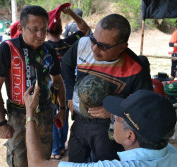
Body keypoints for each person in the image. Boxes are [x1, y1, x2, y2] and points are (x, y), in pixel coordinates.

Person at [61, 14, 153, 162]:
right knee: (75, 161)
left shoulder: (135, 68)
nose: (95, 49)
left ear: (122, 47)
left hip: (110, 128)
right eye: (93, 40)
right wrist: (70, 94)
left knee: (105, 162)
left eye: (103, 46)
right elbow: (66, 65)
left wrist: (115, 110)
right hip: (80, 122)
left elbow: (143, 105)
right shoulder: (82, 45)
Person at [0, 5, 66, 167]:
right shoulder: (7, 49)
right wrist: (1, 123)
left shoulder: (49, 51)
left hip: (45, 113)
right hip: (18, 115)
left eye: (44, 29)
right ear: (21, 28)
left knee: (43, 158)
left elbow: (57, 81)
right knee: (19, 159)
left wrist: (62, 108)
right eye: (35, 29)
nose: (40, 35)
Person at [24, 86, 177, 167]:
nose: (112, 120)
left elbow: (37, 164)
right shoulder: (172, 154)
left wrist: (30, 113)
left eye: (115, 118)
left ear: (130, 136)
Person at [46, 3, 90, 159]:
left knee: (52, 115)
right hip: (68, 86)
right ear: (60, 29)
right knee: (62, 114)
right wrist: (71, 13)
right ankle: (59, 147)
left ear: (46, 30)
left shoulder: (43, 47)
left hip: (50, 87)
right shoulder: (68, 42)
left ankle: (55, 149)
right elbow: (85, 28)